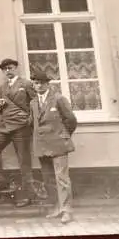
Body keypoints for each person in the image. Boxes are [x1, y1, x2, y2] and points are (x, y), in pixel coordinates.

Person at [0, 58, 37, 208]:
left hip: (21, 126)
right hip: (5, 125)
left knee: (24, 161)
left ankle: (28, 196)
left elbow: (35, 103)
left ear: (16, 68)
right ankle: (1, 180)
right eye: (4, 69)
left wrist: (29, 122)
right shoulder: (2, 87)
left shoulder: (26, 84)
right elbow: (3, 107)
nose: (7, 71)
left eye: (10, 68)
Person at [30, 70, 77, 224]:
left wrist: (63, 135)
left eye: (41, 83)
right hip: (42, 145)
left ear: (47, 84)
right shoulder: (33, 102)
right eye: (36, 83)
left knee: (62, 178)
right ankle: (57, 207)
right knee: (49, 179)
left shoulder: (58, 99)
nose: (38, 86)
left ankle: (67, 211)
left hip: (58, 144)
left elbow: (71, 120)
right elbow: (33, 122)